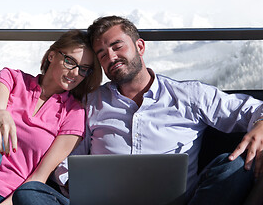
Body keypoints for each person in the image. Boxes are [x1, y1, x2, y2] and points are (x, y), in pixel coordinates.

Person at [53, 16, 263, 205]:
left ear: (140, 47)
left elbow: (252, 109)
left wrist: (261, 124)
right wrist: (79, 187)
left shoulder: (189, 95)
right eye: (102, 54)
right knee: (32, 192)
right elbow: (66, 160)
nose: (111, 57)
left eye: (117, 46)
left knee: (234, 167)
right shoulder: (90, 103)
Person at [0, 29, 102, 205]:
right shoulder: (13, 78)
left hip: (6, 200)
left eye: (84, 69)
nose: (75, 73)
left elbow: (39, 177)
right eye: (70, 62)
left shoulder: (74, 113)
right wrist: (0, 113)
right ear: (52, 56)